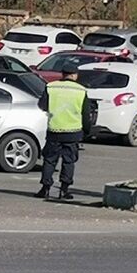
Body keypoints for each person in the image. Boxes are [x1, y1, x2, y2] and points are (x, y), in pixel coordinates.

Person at [35, 66, 91, 200]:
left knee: (49, 160)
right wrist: (87, 131)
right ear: (74, 75)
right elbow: (86, 114)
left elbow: (42, 105)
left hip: (54, 129)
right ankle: (64, 190)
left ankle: (45, 188)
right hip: (73, 131)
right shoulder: (81, 90)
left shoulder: (51, 87)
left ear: (63, 74)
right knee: (68, 161)